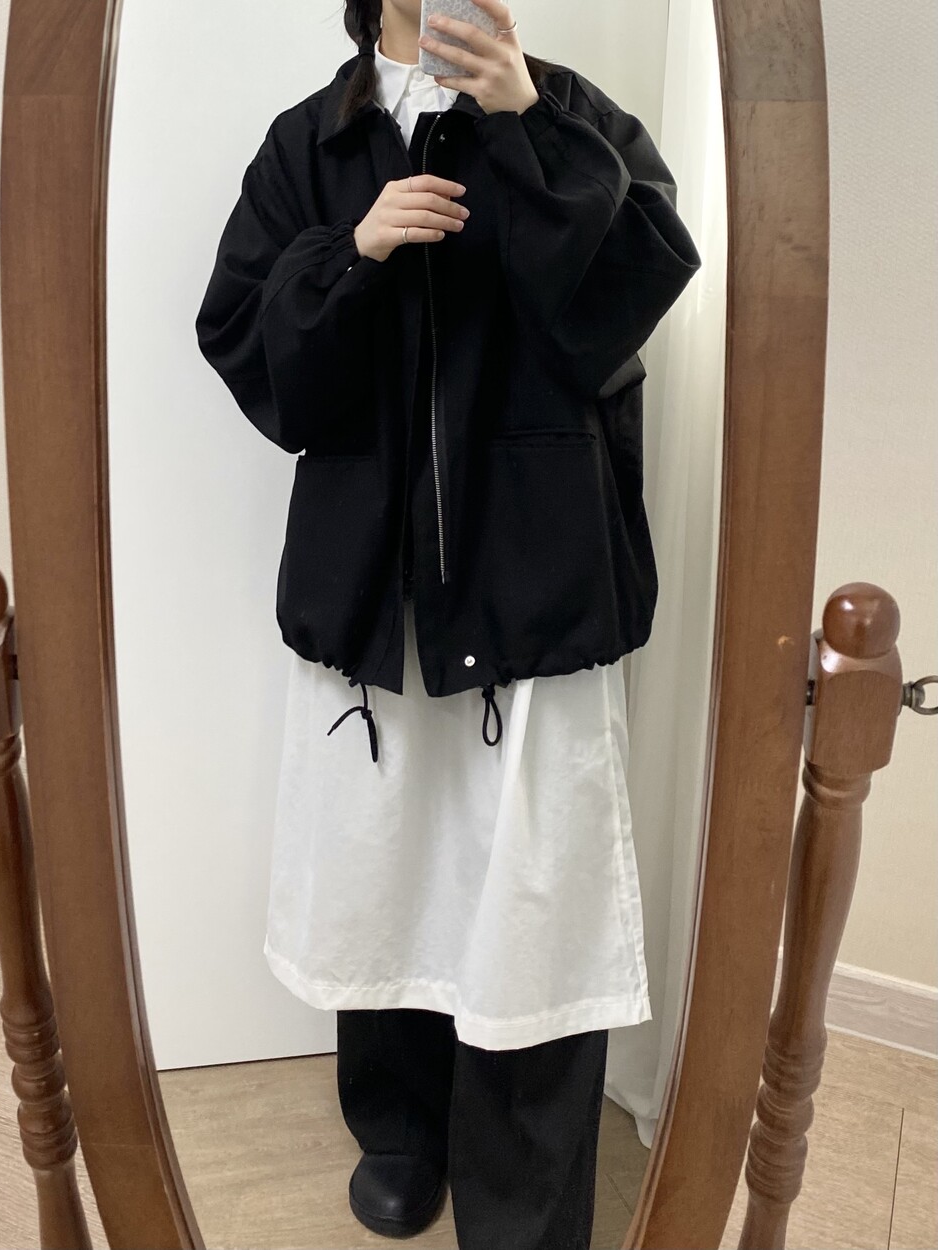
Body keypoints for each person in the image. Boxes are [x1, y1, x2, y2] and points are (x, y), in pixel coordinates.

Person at [195, 2, 701, 1246]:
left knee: (535, 892)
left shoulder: (571, 114)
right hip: (370, 583)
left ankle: (521, 1189)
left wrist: (529, 125)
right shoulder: (309, 144)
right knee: (384, 865)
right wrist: (352, 252)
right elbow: (251, 351)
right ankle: (401, 1126)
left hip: (532, 576)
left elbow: (629, 298)